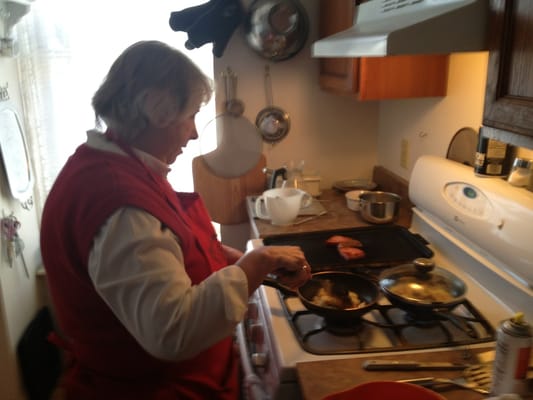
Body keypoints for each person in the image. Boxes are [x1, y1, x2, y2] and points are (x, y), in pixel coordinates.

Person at [40, 40, 311, 400]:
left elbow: (181, 252)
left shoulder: (119, 165)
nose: (195, 132)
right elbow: (173, 331)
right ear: (156, 108)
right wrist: (255, 260)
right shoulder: (121, 205)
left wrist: (259, 264)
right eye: (191, 115)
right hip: (154, 390)